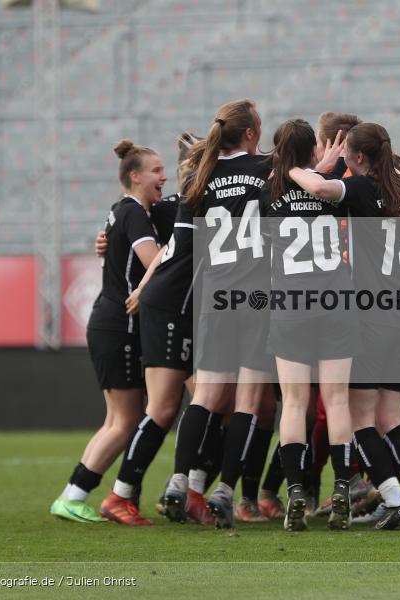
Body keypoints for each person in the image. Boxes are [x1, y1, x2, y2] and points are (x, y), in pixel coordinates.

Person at [288, 123, 400, 529]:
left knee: (362, 420)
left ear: (356, 158)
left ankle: (394, 500)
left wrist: (294, 168)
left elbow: (319, 190)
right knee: (393, 417)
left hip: (372, 316)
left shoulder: (359, 188)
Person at [162, 99, 274, 530]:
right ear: (250, 133)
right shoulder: (268, 167)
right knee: (247, 401)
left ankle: (178, 482)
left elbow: (182, 247)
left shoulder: (200, 175)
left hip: (216, 297)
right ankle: (225, 491)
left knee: (205, 396)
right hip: (258, 297)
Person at [97, 133, 212, 526]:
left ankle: (184, 491)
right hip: (168, 311)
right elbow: (129, 230)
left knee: (214, 405)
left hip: (195, 316)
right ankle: (120, 494)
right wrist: (107, 242)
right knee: (163, 407)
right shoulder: (174, 208)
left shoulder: (211, 199)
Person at [50, 139, 164, 524]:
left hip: (108, 321)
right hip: (119, 323)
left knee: (119, 419)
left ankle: (75, 494)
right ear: (135, 176)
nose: (163, 177)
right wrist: (180, 246)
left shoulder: (120, 212)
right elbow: (154, 262)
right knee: (123, 420)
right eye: (156, 171)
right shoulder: (133, 213)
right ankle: (75, 493)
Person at [262, 118, 359, 531]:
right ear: (313, 150)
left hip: (291, 304)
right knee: (336, 401)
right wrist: (325, 166)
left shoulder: (267, 191)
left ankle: (296, 491)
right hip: (336, 300)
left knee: (295, 403)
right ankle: (342, 489)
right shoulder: (333, 185)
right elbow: (320, 184)